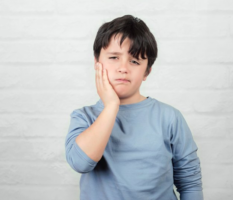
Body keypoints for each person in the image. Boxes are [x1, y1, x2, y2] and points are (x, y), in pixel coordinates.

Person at [65, 15, 203, 200]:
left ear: (147, 71)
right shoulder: (84, 117)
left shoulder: (169, 118)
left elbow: (190, 182)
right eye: (114, 57)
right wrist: (111, 105)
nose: (123, 68)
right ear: (97, 62)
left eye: (135, 61)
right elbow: (81, 163)